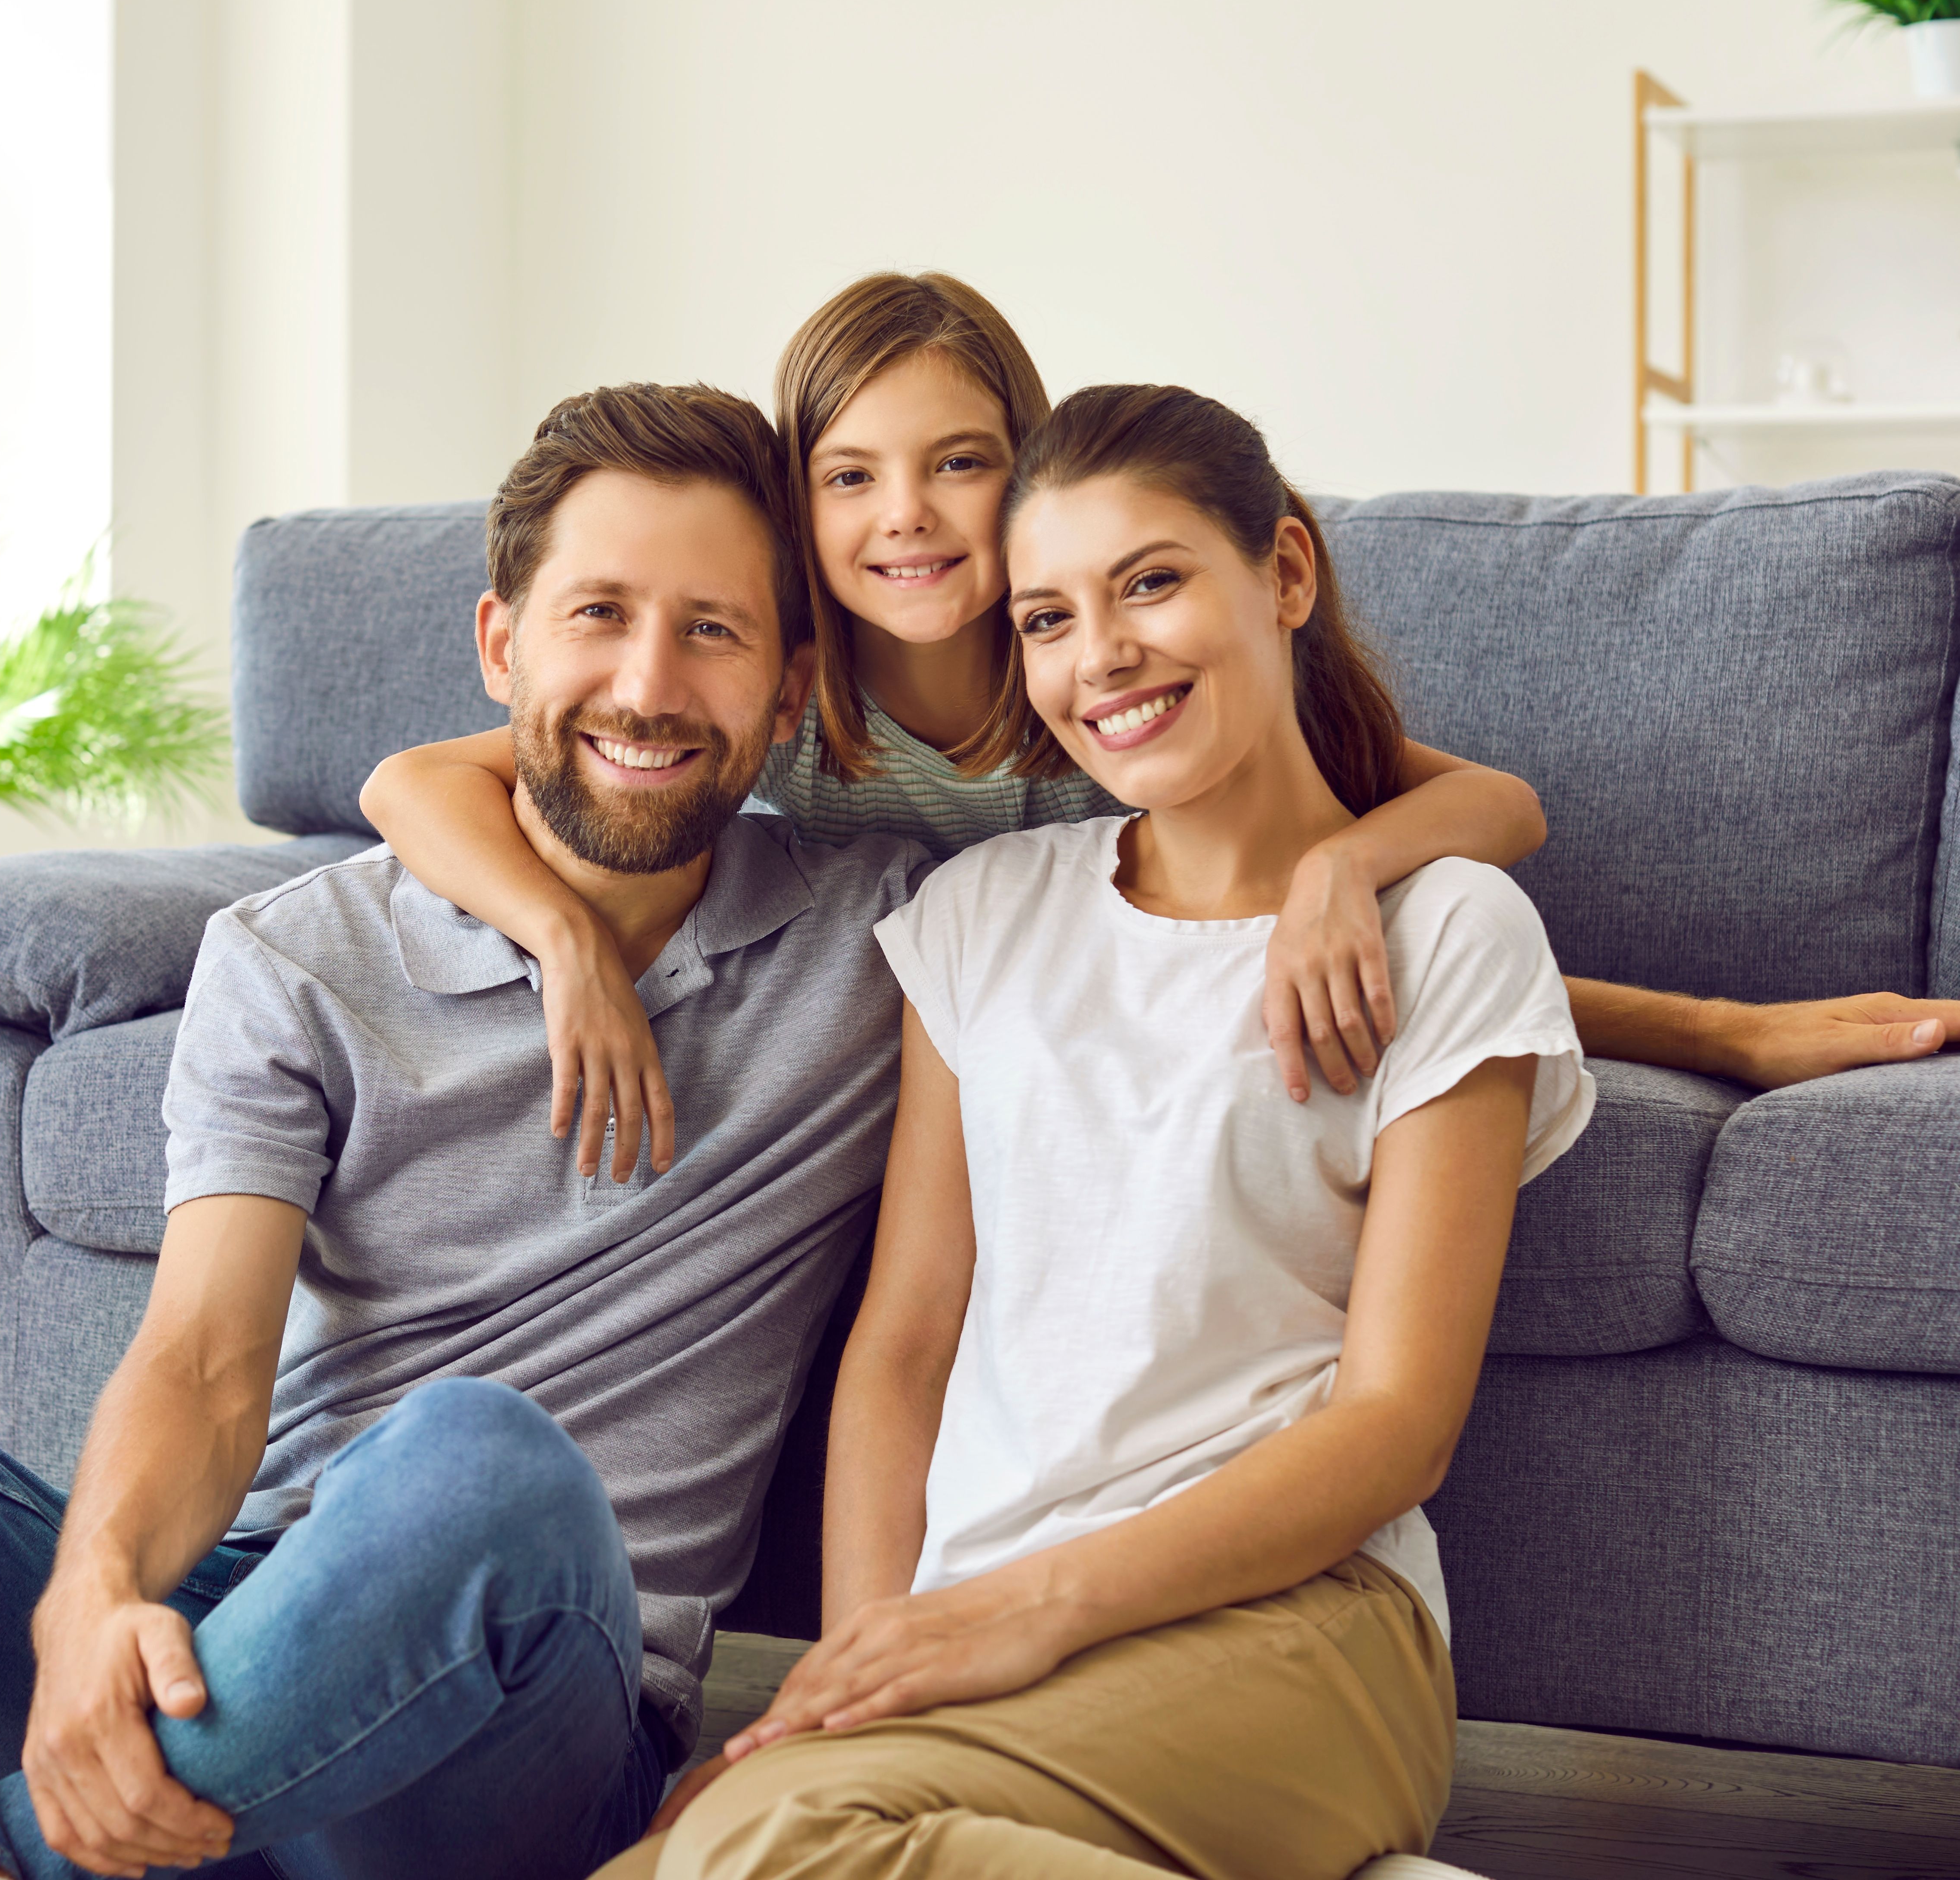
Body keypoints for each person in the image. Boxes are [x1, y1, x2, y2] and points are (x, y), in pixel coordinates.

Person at [0, 382, 935, 1880]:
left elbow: (1095, 753)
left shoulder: (885, 939)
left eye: (712, 630)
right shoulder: (294, 954)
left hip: (532, 1704)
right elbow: (205, 1357)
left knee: (481, 1453)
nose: (648, 683)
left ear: (786, 680)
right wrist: (95, 1589)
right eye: (599, 615)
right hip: (239, 1627)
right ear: (500, 646)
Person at [604, 384, 1596, 1880]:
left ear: (1283, 574)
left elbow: (1401, 1421)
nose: (1102, 655)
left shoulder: (1451, 929)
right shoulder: (979, 918)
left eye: (1151, 582)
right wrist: (870, 1653)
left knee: (775, 1851)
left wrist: (1037, 1605)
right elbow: (907, 1342)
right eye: (1048, 617)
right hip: (975, 1626)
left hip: (1301, 1626)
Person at [360, 273, 1960, 1181]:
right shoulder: (773, 697)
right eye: (852, 476)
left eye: (961, 464)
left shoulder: (1104, 689)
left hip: (1152, 996)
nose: (907, 519)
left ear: (1032, 473)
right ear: (802, 500)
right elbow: (410, 779)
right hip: (922, 1042)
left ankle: (1723, 1027)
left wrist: (1341, 868)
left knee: (1324, 935)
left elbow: (1498, 808)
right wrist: (565, 944)